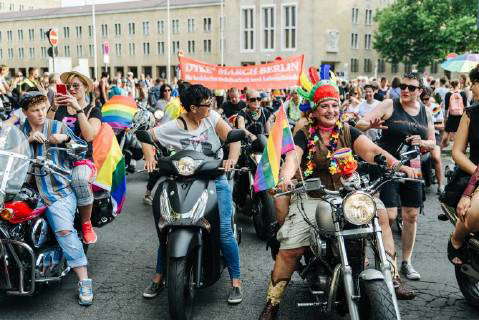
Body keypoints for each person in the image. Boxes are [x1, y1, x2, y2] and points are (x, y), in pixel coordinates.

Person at [258, 78, 418, 320]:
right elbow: (292, 159)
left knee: (380, 215)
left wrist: (398, 166)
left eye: (334, 105)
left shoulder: (347, 131)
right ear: (314, 110)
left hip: (349, 193)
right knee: (291, 248)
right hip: (314, 195)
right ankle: (273, 302)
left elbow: (371, 151)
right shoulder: (303, 135)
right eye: (324, 106)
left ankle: (392, 276)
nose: (331, 111)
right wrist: (286, 178)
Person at [140, 84, 243, 304]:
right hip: (183, 180)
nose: (211, 107)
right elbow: (147, 137)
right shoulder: (174, 126)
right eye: (207, 104)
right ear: (193, 108)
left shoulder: (212, 118)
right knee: (168, 227)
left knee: (224, 232)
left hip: (215, 178)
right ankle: (159, 277)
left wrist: (231, 159)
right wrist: (149, 156)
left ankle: (236, 281)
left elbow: (233, 138)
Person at [357, 72, 436, 282]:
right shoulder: (389, 104)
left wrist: (423, 142)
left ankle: (406, 262)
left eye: (411, 87)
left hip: (412, 167)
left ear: (420, 91)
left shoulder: (425, 112)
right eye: (403, 86)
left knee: (411, 215)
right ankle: (383, 259)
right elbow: (359, 125)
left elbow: (433, 143)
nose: (405, 90)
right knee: (389, 215)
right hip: (388, 166)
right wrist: (370, 126)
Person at [18, 92, 93, 305]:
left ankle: (84, 280)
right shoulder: (18, 132)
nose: (41, 113)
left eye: (43, 108)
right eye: (35, 110)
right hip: (26, 193)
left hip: (57, 191)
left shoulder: (57, 127)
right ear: (25, 112)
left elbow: (82, 149)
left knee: (63, 229)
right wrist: (25, 141)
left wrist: (66, 138)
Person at [48, 71, 102, 245]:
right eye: (68, 86)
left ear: (85, 87)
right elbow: (46, 129)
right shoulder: (60, 108)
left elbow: (89, 136)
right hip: (57, 158)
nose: (71, 89)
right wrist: (53, 107)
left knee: (79, 179)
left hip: (82, 159)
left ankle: (86, 223)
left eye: (76, 85)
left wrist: (79, 110)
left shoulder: (93, 110)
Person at [449, 65, 479, 266]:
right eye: (474, 83)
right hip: (473, 174)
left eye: (475, 83)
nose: (473, 87)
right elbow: (457, 153)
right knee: (475, 212)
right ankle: (456, 239)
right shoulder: (470, 114)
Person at [420, 88, 445, 194]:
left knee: (436, 157)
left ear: (430, 97)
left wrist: (430, 126)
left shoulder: (436, 108)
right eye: (422, 99)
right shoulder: (418, 108)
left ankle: (441, 185)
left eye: (426, 99)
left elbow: (442, 126)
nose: (424, 101)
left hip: (434, 135)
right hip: (421, 136)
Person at [442, 80, 467, 149]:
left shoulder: (448, 94)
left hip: (451, 116)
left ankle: (441, 147)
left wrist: (445, 118)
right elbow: (465, 106)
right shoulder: (463, 93)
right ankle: (457, 149)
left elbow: (446, 108)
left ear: (451, 85)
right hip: (460, 116)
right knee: (459, 134)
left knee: (446, 132)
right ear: (458, 84)